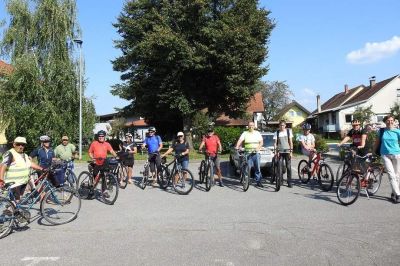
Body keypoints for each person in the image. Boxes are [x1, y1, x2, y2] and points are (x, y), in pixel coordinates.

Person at [0, 137, 43, 202]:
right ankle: (10, 211)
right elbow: (3, 165)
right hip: (14, 182)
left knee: (18, 200)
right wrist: (1, 179)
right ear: (14, 144)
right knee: (15, 201)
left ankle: (11, 209)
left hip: (23, 181)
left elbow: (30, 163)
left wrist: (41, 168)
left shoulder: (24, 155)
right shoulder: (10, 153)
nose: (21, 146)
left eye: (23, 145)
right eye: (18, 144)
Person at [374, 115, 400, 203]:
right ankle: (398, 194)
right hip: (385, 155)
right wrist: (373, 152)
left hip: (396, 155)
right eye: (388, 120)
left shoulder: (397, 131)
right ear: (385, 122)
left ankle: (393, 193)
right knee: (391, 174)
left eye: (391, 120)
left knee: (397, 175)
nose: (390, 122)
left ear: (394, 121)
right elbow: (377, 142)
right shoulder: (381, 131)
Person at [88, 130, 118, 197]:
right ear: (98, 137)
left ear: (104, 137)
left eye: (102, 136)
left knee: (104, 176)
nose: (101, 137)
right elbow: (90, 152)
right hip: (96, 162)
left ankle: (104, 191)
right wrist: (92, 158)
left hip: (103, 162)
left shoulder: (107, 144)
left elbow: (112, 151)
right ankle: (91, 190)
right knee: (95, 176)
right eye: (99, 136)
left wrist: (116, 156)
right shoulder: (94, 143)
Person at [235, 121, 264, 187]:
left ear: (254, 126)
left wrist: (258, 148)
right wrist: (237, 146)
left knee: (257, 168)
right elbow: (240, 140)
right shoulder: (245, 133)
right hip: (247, 153)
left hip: (256, 153)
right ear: (248, 126)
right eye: (250, 125)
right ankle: (246, 180)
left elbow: (261, 142)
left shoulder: (257, 133)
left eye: (252, 125)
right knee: (247, 168)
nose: (251, 127)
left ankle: (258, 181)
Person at [273, 120, 294, 188]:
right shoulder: (277, 132)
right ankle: (280, 181)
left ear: (285, 126)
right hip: (280, 152)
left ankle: (289, 182)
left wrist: (291, 152)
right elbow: (275, 143)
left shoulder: (288, 132)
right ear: (279, 126)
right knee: (280, 167)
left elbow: (291, 142)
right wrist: (276, 152)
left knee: (288, 167)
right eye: (280, 125)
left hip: (287, 152)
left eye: (283, 125)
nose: (282, 127)